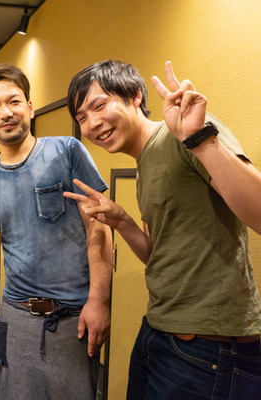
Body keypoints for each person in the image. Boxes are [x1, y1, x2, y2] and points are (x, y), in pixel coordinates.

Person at [65, 60, 261, 399]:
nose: (92, 123)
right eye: (81, 117)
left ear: (135, 96)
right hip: (160, 332)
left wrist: (199, 139)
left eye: (99, 105)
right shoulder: (145, 160)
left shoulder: (185, 133)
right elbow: (159, 256)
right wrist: (122, 221)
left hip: (207, 348)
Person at [0, 63, 114, 400]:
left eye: (13, 101)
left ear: (29, 107)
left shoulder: (67, 151)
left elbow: (98, 228)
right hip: (15, 317)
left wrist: (99, 301)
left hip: (71, 317)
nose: (5, 112)